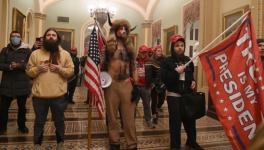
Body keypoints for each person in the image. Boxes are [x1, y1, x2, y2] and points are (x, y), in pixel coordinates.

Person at [26, 28, 74, 150]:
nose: (51, 37)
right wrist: (37, 69)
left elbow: (71, 72)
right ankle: (37, 144)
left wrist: (60, 69)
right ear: (44, 38)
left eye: (53, 35)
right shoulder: (35, 54)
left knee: (59, 121)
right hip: (39, 97)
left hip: (59, 97)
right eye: (48, 35)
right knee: (39, 122)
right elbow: (28, 72)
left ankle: (60, 143)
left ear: (57, 38)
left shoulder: (65, 54)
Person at [160, 34, 202, 150]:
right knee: (175, 123)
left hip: (187, 96)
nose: (180, 47)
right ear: (173, 47)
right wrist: (175, 72)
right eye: (177, 45)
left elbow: (190, 75)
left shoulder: (188, 60)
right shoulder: (166, 61)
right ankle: (175, 145)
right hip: (174, 97)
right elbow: (165, 79)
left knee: (190, 120)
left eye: (182, 45)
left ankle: (191, 141)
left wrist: (193, 81)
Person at [103, 17, 138, 150]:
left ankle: (132, 144)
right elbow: (101, 66)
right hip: (111, 85)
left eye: (125, 29)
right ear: (115, 30)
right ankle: (114, 142)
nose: (122, 31)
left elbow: (133, 66)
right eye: (120, 28)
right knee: (112, 117)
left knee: (129, 118)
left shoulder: (130, 47)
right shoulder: (108, 47)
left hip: (126, 84)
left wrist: (135, 86)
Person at [0, 31, 31, 134]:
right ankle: (2, 127)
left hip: (22, 84)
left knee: (22, 108)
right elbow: (0, 64)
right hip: (7, 84)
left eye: (17, 36)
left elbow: (30, 65)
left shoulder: (27, 51)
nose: (15, 38)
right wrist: (9, 66)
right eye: (13, 36)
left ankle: (22, 126)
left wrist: (19, 66)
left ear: (21, 38)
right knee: (3, 108)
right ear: (10, 38)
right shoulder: (5, 50)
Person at [145, 45, 166, 124]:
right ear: (155, 51)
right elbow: (149, 73)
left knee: (162, 99)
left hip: (162, 83)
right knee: (154, 100)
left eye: (160, 51)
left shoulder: (165, 59)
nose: (159, 52)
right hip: (154, 83)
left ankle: (157, 107)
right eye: (158, 51)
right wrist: (151, 83)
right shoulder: (151, 60)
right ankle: (154, 115)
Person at [135, 44, 155, 128]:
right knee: (133, 105)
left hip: (146, 86)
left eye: (145, 52)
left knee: (147, 104)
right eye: (142, 52)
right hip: (136, 86)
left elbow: (155, 73)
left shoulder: (150, 61)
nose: (143, 54)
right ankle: (130, 121)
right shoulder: (134, 61)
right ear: (139, 52)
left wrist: (153, 83)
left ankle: (148, 120)